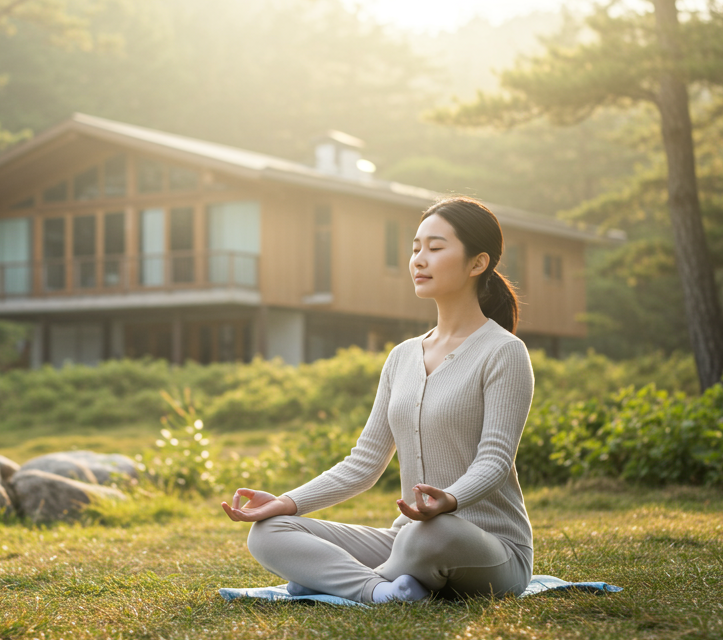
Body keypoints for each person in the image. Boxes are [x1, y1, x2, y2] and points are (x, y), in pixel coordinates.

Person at [221, 196, 534, 604]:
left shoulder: (504, 352)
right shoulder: (402, 356)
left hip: (486, 549)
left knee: (433, 533)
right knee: (270, 531)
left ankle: (331, 580)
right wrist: (286, 502)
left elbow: (494, 459)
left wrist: (450, 500)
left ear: (477, 263)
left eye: (435, 248)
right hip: (406, 539)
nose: (419, 260)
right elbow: (363, 464)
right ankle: (381, 591)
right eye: (415, 248)